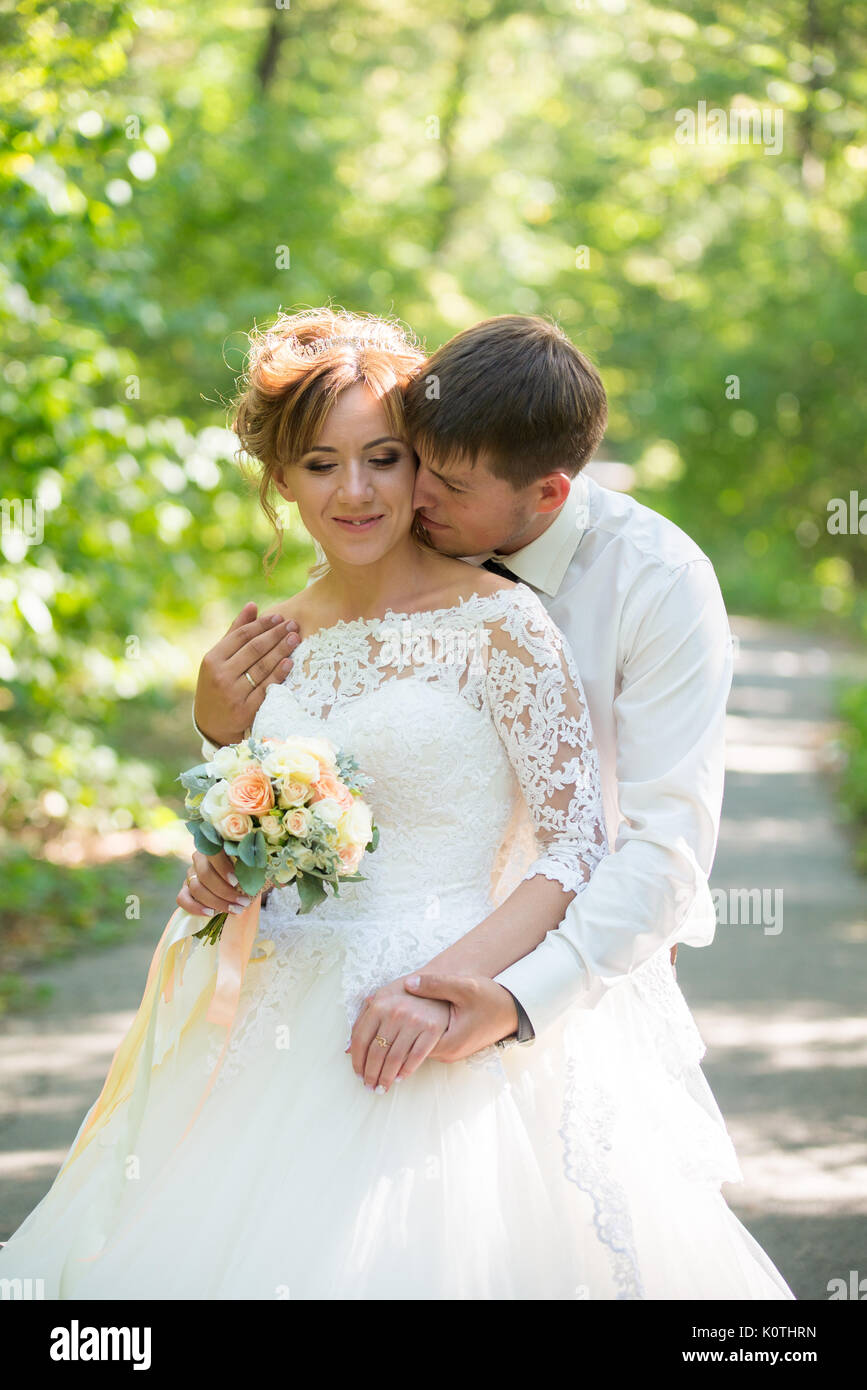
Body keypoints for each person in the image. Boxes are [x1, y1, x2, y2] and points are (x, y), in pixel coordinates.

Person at [0, 309, 793, 1299]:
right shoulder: (275, 633)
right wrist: (224, 844)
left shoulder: (543, 608)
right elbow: (273, 819)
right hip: (278, 1017)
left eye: (390, 458)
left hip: (465, 996)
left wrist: (478, 993)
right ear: (280, 476)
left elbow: (607, 845)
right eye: (323, 464)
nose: (365, 490)